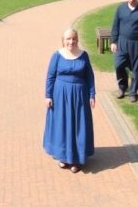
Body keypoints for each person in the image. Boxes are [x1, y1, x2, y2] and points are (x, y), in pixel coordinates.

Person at [43, 28, 95, 173]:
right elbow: (50, 76)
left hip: (79, 96)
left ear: (77, 40)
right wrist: (48, 95)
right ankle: (64, 157)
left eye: (73, 39)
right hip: (60, 95)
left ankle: (77, 160)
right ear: (63, 41)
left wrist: (92, 94)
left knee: (78, 126)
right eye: (68, 39)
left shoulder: (84, 56)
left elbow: (89, 77)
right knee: (63, 125)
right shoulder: (57, 56)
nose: (71, 41)